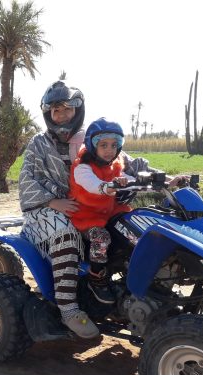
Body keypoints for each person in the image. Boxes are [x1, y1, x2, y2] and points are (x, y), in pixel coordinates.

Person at [18, 80, 100, 339]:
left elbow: (119, 160)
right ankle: (68, 308)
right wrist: (53, 202)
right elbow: (27, 179)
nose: (61, 115)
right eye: (55, 111)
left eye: (66, 109)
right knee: (63, 231)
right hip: (44, 209)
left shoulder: (91, 140)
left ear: (78, 110)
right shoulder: (38, 143)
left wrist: (150, 176)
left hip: (85, 206)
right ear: (48, 114)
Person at [68, 118, 132, 304]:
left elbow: (133, 180)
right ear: (92, 145)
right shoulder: (82, 167)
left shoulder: (114, 166)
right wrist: (107, 187)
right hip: (86, 218)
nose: (109, 150)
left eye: (114, 145)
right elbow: (93, 185)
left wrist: (168, 182)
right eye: (103, 145)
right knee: (101, 237)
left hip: (107, 215)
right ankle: (96, 278)